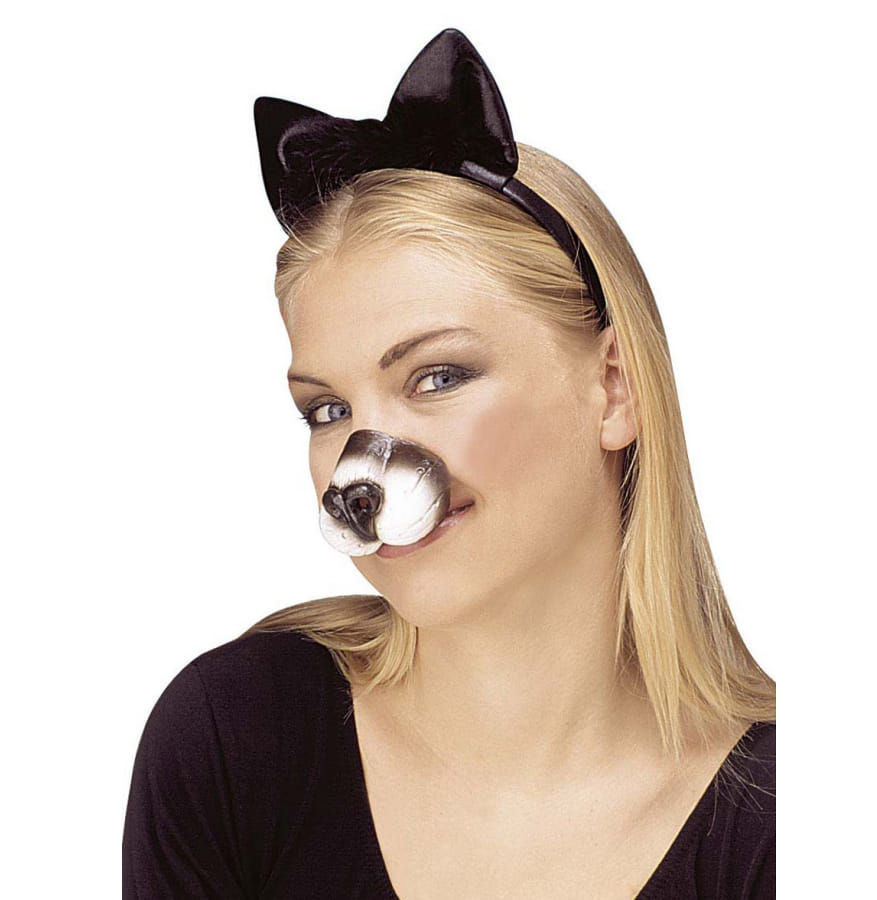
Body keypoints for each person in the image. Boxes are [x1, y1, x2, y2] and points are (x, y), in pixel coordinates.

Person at [122, 28, 775, 899]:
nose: (359, 469)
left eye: (438, 377)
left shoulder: (794, 823)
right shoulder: (237, 741)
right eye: (328, 410)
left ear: (614, 387)